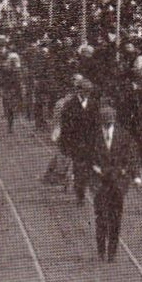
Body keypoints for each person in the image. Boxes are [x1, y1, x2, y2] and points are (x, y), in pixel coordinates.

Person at [88, 103, 139, 264]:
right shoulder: (93, 136)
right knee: (101, 217)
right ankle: (101, 250)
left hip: (117, 184)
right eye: (105, 121)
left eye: (110, 121)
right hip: (100, 184)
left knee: (115, 219)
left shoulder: (123, 135)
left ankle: (112, 252)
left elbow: (132, 157)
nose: (108, 124)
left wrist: (131, 173)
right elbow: (87, 157)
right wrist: (94, 169)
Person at [59, 75, 99, 204]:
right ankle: (80, 193)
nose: (86, 93)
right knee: (78, 168)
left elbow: (97, 124)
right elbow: (65, 126)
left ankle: (82, 188)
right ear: (78, 90)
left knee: (87, 169)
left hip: (89, 142)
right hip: (76, 142)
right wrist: (66, 143)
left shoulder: (93, 104)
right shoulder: (70, 105)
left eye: (88, 91)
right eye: (84, 91)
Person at [0, 51, 25, 133]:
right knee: (9, 108)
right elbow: (0, 80)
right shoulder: (4, 69)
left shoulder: (17, 69)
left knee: (11, 108)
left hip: (14, 90)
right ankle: (10, 125)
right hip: (8, 90)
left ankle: (10, 124)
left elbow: (19, 81)